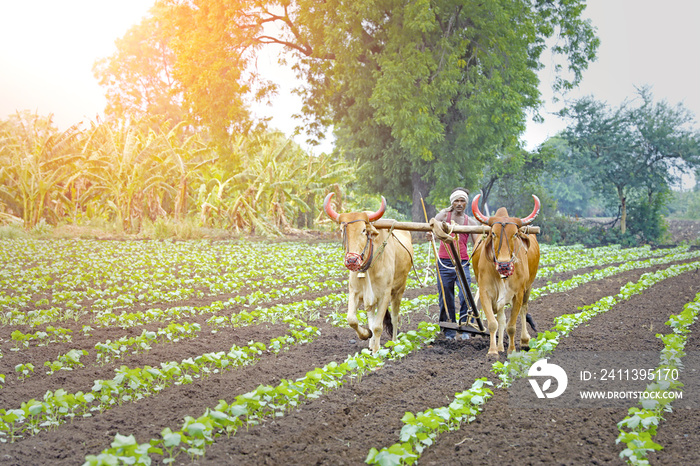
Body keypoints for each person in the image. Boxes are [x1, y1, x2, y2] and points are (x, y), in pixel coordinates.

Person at [428, 188, 481, 340]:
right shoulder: (443, 215)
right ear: (452, 202)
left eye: (462, 201)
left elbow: (477, 241)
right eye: (456, 201)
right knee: (445, 296)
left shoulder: (470, 222)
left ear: (466, 203)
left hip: (463, 263)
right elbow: (432, 229)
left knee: (466, 294)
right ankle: (449, 330)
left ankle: (464, 327)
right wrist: (430, 233)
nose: (459, 204)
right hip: (444, 262)